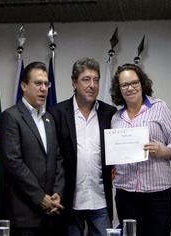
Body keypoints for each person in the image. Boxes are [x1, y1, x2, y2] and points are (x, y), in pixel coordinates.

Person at [110, 63, 171, 236]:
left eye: (134, 83)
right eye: (124, 85)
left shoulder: (159, 107)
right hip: (126, 193)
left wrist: (162, 151)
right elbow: (115, 157)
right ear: (119, 89)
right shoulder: (116, 118)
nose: (130, 88)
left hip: (158, 194)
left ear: (142, 84)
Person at [49, 57, 117, 236]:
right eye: (86, 79)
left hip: (100, 199)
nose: (92, 85)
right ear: (74, 83)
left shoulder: (109, 113)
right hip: (70, 200)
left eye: (96, 80)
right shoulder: (57, 113)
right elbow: (54, 159)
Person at [0, 61, 64, 236]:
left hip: (51, 214)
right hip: (23, 216)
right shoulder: (11, 117)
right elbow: (13, 163)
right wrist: (40, 198)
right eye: (38, 83)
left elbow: (57, 159)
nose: (43, 88)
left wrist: (57, 194)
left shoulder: (49, 119)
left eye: (46, 84)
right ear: (24, 86)